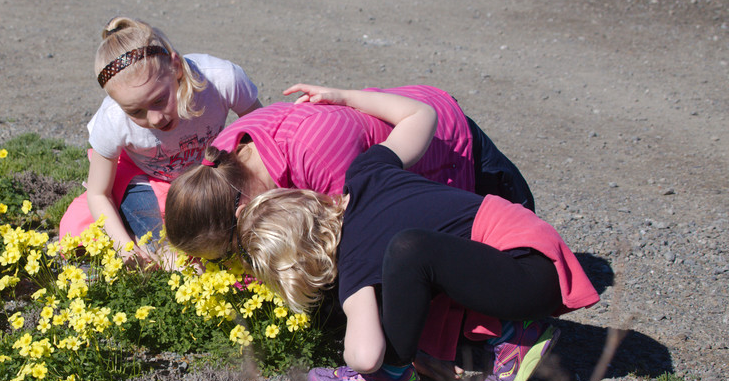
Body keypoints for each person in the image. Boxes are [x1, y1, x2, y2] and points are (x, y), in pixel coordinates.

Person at [235, 90, 599, 381]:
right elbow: (421, 115)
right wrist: (345, 96)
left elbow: (364, 356)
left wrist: (359, 349)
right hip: (532, 248)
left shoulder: (355, 265)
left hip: (527, 280)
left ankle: (396, 376)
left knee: (408, 250)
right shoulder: (365, 173)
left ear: (296, 264)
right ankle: (507, 338)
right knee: (409, 264)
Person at [165, 83, 533, 263]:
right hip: (400, 127)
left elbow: (370, 246)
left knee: (522, 248)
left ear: (242, 213)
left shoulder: (319, 157)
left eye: (229, 253)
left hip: (451, 150)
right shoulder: (221, 155)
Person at [58, 17, 261, 262]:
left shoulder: (220, 80)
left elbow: (263, 137)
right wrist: (124, 246)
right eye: (135, 112)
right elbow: (98, 193)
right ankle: (163, 252)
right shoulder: (111, 119)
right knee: (75, 226)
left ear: (175, 66)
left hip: (206, 173)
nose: (154, 119)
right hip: (144, 180)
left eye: (158, 100)